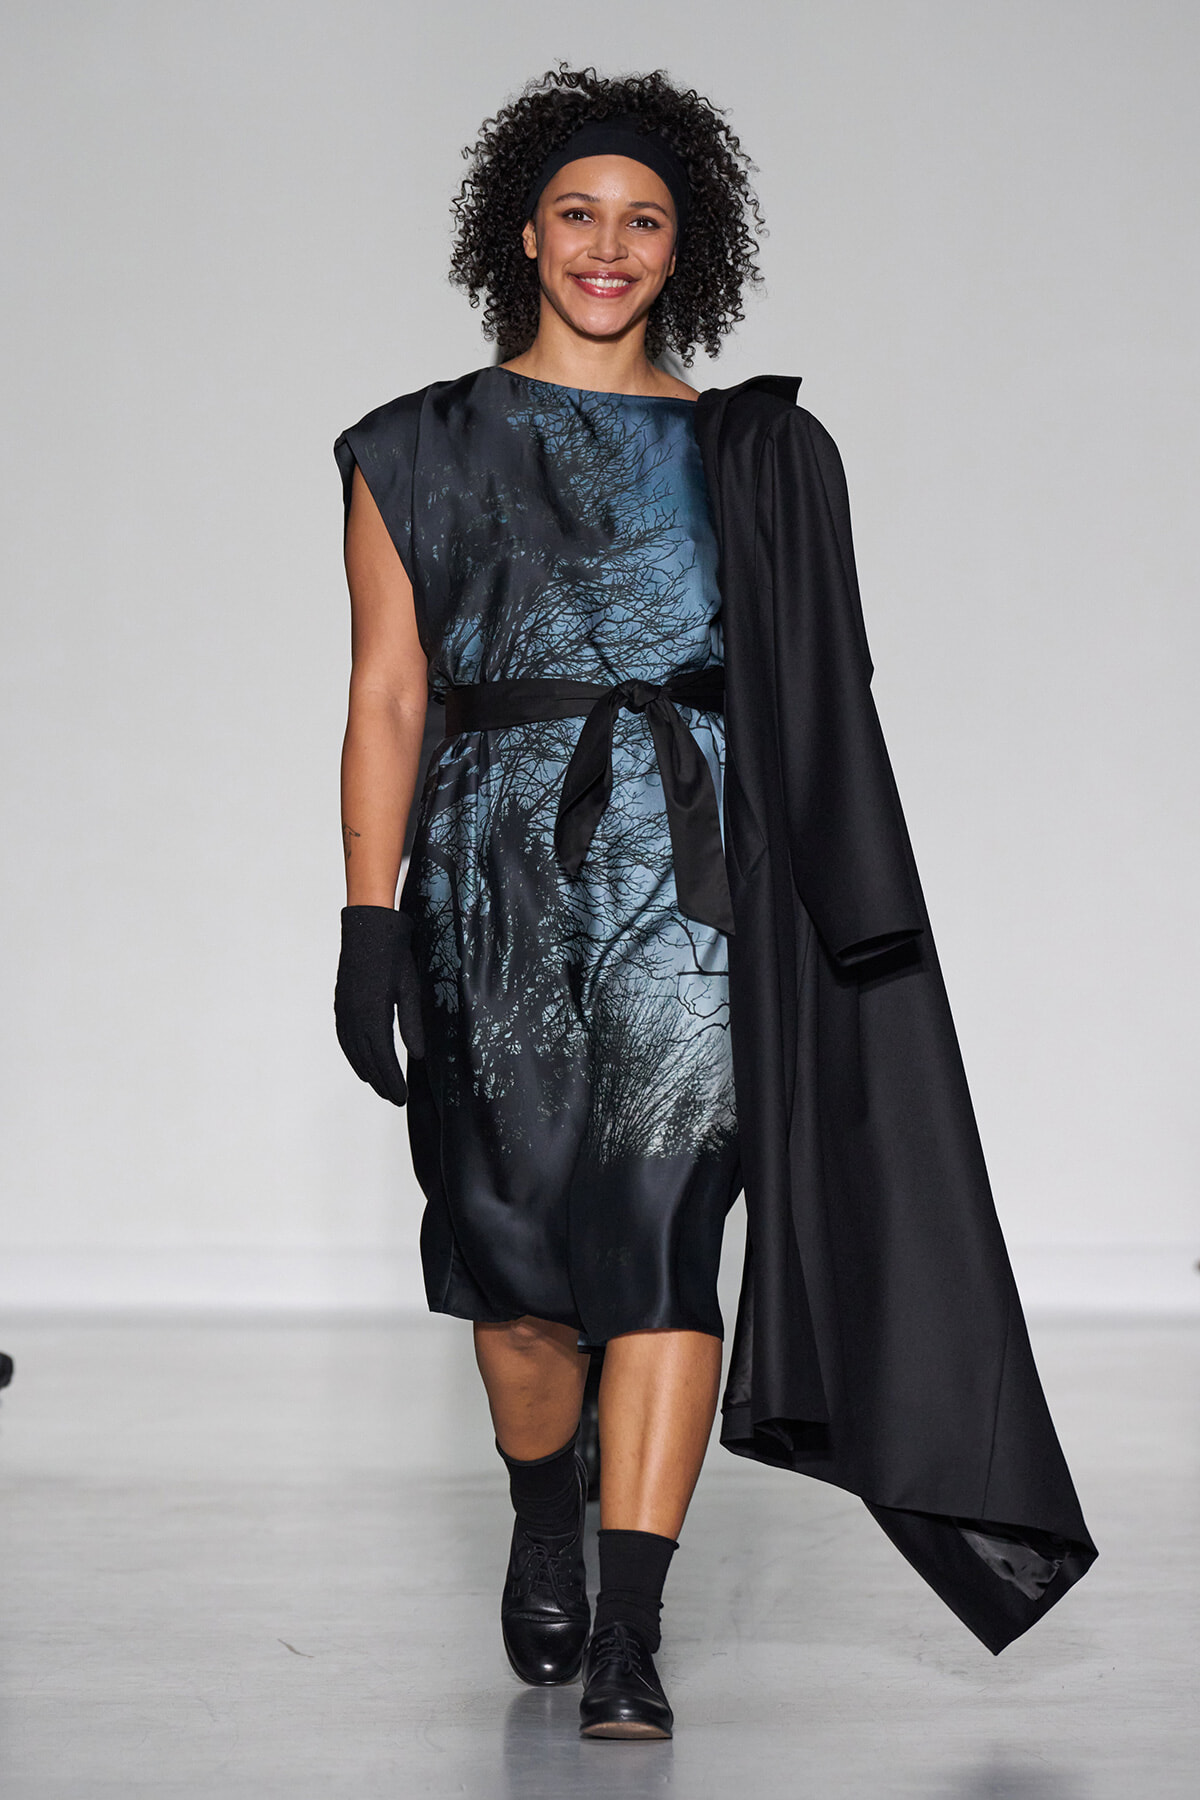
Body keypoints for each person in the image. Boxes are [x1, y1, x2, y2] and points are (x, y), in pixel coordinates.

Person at [332, 66, 1095, 1743]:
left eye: (644, 222)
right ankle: (546, 1498)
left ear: (686, 250)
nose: (608, 247)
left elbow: (825, 695)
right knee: (519, 1286)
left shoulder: (751, 454)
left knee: (667, 1246)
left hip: (697, 891)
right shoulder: (410, 446)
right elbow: (388, 692)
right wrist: (366, 922)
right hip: (488, 888)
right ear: (525, 232)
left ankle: (631, 1628)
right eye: (580, 214)